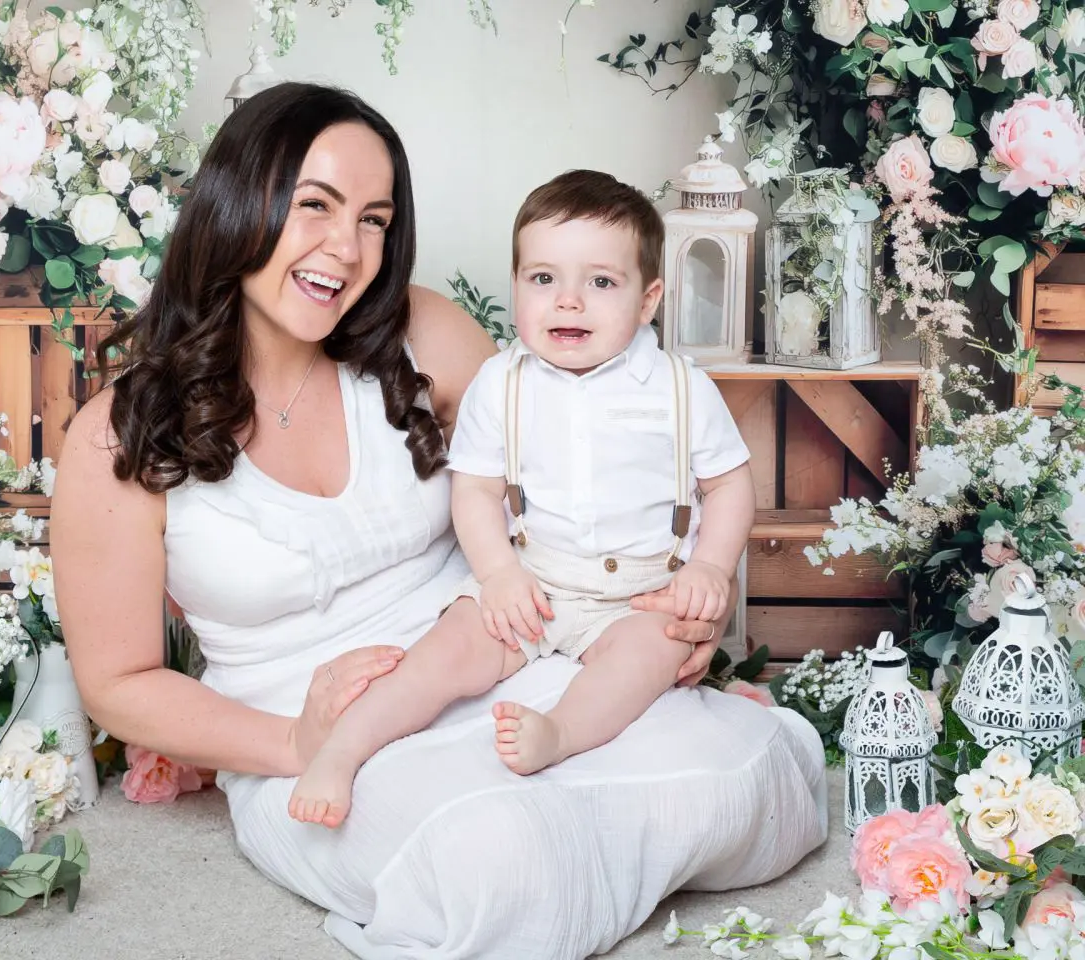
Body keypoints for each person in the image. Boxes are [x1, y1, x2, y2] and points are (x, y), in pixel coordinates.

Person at [52, 81, 828, 960]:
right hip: (315, 740)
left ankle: (596, 823)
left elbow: (573, 461)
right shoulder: (119, 434)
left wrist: (669, 601)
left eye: (375, 219)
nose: (346, 249)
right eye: (316, 206)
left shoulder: (421, 331)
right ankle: (556, 849)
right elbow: (116, 683)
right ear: (236, 202)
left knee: (755, 775)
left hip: (498, 652)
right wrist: (296, 741)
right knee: (501, 866)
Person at [289, 170, 756, 829]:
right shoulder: (500, 383)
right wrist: (500, 575)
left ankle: (558, 733)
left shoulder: (679, 388)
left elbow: (730, 483)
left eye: (600, 282)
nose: (568, 302)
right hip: (534, 582)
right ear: (516, 287)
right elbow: (475, 492)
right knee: (446, 650)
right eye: (543, 280)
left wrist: (710, 567)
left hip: (639, 596)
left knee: (649, 654)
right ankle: (340, 751)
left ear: (648, 299)